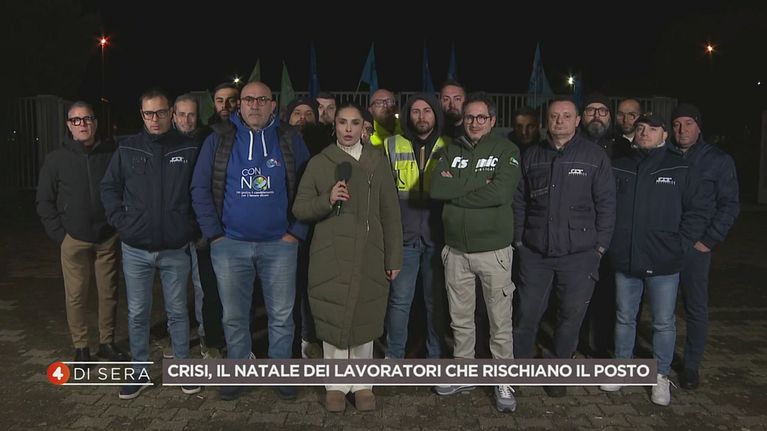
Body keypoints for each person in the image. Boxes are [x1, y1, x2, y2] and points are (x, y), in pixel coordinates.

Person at [190, 81, 310, 401]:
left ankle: (281, 372)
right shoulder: (218, 138)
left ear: (273, 105)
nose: (255, 104)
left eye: (262, 99)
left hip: (280, 245)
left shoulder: (290, 138)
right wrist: (215, 234)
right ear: (239, 105)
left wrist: (296, 232)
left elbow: (309, 186)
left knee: (281, 315)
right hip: (230, 245)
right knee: (233, 315)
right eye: (249, 99)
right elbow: (200, 188)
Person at [292, 102, 402, 413]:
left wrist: (394, 257)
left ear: (364, 127)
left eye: (355, 123)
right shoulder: (320, 163)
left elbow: (390, 214)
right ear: (335, 126)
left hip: (370, 253)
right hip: (331, 254)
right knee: (334, 318)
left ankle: (363, 384)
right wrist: (327, 199)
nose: (349, 129)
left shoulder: (377, 162)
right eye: (343, 122)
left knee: (365, 317)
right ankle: (336, 386)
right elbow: (300, 208)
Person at [599, 113, 709, 406]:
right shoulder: (620, 165)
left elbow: (698, 211)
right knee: (624, 316)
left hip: (664, 261)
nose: (645, 133)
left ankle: (659, 375)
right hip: (626, 258)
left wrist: (680, 245)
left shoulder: (681, 167)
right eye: (640, 128)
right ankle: (622, 367)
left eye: (653, 129)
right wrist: (613, 244)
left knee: (663, 322)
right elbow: (606, 206)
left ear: (665, 135)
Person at [512, 97, 616, 398]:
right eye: (554, 116)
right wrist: (519, 240)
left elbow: (607, 205)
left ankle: (558, 371)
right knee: (526, 313)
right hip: (536, 254)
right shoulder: (532, 156)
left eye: (566, 116)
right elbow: (519, 201)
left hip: (580, 256)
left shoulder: (594, 156)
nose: (559, 121)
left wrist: (599, 247)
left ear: (577, 120)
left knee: (570, 317)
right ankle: (519, 368)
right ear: (547, 120)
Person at [101, 88, 200, 399]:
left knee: (178, 312)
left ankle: (182, 369)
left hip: (175, 248)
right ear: (141, 115)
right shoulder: (127, 148)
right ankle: (140, 372)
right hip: (136, 249)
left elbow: (200, 191)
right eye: (148, 113)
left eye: (160, 112)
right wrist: (122, 222)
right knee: (137, 313)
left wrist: (189, 226)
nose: (154, 119)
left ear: (170, 113)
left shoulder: (188, 148)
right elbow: (109, 188)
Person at [430, 92, 521, 413]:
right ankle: (464, 373)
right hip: (455, 250)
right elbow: (436, 188)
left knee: (499, 321)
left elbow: (500, 193)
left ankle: (503, 381)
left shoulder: (506, 150)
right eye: (470, 117)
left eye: (482, 117)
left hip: (494, 251)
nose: (475, 122)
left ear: (492, 120)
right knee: (460, 319)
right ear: (463, 119)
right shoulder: (449, 150)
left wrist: (456, 189)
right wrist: (478, 185)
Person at [36, 101, 128, 363]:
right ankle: (81, 348)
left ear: (95, 123)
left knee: (108, 292)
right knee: (76, 295)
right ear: (69, 125)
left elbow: (124, 189)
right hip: (73, 238)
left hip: (106, 236)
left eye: (87, 119)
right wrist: (60, 235)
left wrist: (118, 224)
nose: (82, 124)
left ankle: (107, 343)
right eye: (76, 120)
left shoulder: (111, 154)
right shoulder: (56, 159)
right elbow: (44, 200)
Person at [670, 103, 740, 389]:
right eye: (677, 124)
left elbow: (730, 204)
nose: (682, 129)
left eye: (688, 123)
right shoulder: (665, 155)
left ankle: (691, 366)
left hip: (695, 247)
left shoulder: (718, 160)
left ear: (699, 127)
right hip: (665, 244)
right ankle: (659, 360)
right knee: (662, 307)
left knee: (695, 307)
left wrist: (708, 240)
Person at [383, 94, 450, 359]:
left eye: (427, 111)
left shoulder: (450, 145)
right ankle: (394, 359)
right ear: (408, 115)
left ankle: (435, 360)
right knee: (400, 302)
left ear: (436, 115)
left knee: (436, 304)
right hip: (404, 238)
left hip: (438, 237)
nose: (421, 116)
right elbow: (384, 196)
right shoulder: (391, 144)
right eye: (415, 111)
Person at [171, 94, 223, 360]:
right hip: (175, 229)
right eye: (181, 114)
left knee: (203, 287)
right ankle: (178, 341)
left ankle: (206, 337)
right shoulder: (166, 144)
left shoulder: (207, 141)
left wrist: (208, 226)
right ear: (173, 116)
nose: (186, 120)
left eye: (191, 114)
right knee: (175, 290)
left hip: (201, 228)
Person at [580, 93, 631, 159]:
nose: (596, 115)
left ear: (610, 116)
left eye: (602, 111)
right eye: (590, 110)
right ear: (582, 115)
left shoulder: (621, 146)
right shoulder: (571, 142)